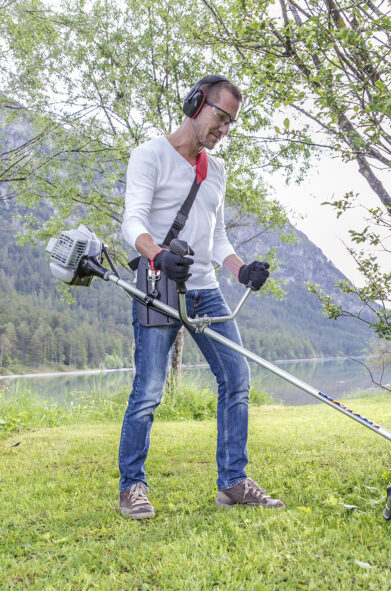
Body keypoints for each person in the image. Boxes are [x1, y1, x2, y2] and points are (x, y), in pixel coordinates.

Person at [116, 75, 284, 519]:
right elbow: (132, 223)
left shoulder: (216, 170)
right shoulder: (149, 155)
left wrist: (241, 269)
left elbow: (217, 238)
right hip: (159, 286)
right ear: (196, 104)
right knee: (148, 390)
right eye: (220, 116)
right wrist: (158, 256)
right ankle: (131, 487)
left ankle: (232, 483)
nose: (224, 128)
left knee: (237, 376)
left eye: (231, 122)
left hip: (206, 291)